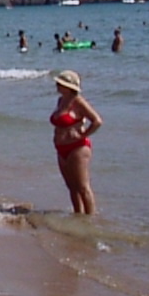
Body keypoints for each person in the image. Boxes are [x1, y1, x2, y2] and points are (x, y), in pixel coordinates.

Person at [50, 70, 102, 214]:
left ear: (69, 86)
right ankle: (78, 216)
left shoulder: (78, 101)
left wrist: (82, 135)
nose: (57, 85)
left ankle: (90, 219)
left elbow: (97, 121)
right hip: (61, 148)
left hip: (77, 148)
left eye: (60, 83)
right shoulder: (60, 101)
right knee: (71, 187)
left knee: (83, 187)